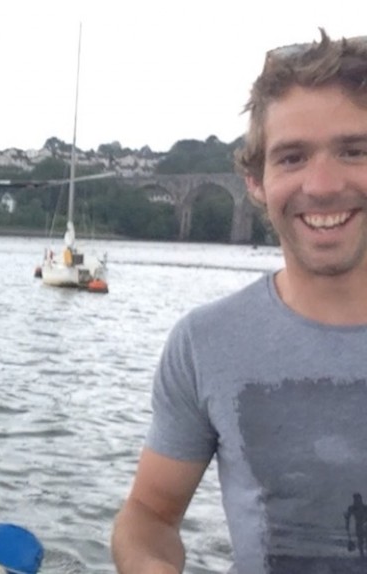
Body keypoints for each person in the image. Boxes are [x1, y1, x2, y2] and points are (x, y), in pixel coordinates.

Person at [111, 30, 367, 573]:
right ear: (255, 181)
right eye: (292, 157)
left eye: (354, 151)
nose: (322, 185)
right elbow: (150, 515)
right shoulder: (204, 344)